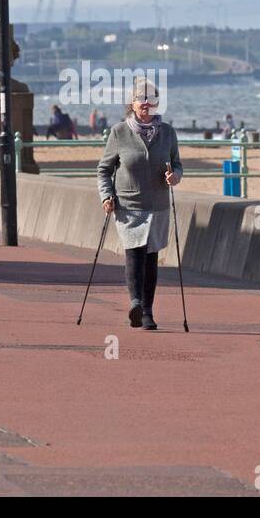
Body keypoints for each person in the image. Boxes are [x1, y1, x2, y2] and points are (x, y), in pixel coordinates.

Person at [97, 78, 183, 331]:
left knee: (151, 256)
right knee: (134, 252)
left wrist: (174, 176)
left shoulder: (168, 133)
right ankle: (136, 303)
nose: (146, 102)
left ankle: (147, 311)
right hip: (128, 204)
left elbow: (177, 164)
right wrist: (106, 195)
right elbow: (104, 170)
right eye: (141, 98)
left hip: (157, 204)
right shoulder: (119, 132)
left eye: (151, 98)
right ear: (132, 103)